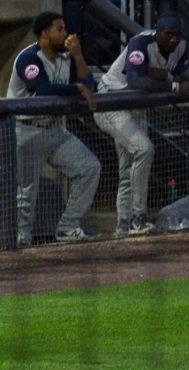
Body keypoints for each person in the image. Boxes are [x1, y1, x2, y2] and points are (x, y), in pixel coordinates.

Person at [94, 13, 189, 236]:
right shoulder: (140, 42)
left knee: (127, 169)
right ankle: (138, 218)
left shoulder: (181, 48)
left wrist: (166, 77)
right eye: (168, 35)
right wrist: (172, 86)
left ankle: (123, 227)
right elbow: (136, 80)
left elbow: (177, 76)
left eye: (177, 35)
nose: (173, 39)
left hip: (136, 104)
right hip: (111, 99)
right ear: (157, 32)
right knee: (144, 149)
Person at [6, 11, 101, 245]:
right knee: (26, 192)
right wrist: (76, 89)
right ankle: (21, 241)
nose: (65, 33)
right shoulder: (29, 58)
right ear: (45, 34)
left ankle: (68, 227)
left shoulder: (66, 58)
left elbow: (89, 86)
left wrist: (78, 55)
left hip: (55, 129)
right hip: (26, 130)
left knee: (89, 167)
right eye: (60, 29)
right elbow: (43, 89)